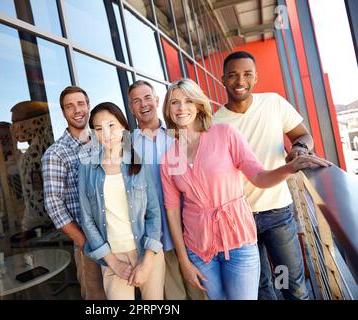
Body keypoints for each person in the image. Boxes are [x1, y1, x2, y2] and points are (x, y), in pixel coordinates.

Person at [160, 79, 330, 300]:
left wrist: (289, 168)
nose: (182, 108)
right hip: (199, 249)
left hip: (238, 239)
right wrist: (184, 261)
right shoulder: (168, 158)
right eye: (175, 102)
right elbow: (172, 211)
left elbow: (258, 177)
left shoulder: (225, 134)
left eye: (188, 101)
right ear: (168, 109)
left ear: (198, 105)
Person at [213, 51, 317, 300]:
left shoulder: (273, 103)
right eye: (233, 75)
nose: (240, 81)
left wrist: (299, 150)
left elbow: (302, 136)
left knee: (291, 286)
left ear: (256, 77)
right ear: (223, 79)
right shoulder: (215, 123)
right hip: (239, 220)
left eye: (247, 74)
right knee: (261, 288)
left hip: (277, 212)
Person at [128, 80, 206, 300]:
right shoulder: (127, 145)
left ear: (156, 100)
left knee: (202, 292)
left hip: (190, 231)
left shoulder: (179, 134)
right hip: (156, 238)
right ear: (131, 108)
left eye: (146, 98)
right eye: (136, 101)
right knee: (174, 296)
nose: (143, 104)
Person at [79, 102, 165, 300]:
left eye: (111, 126)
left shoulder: (138, 162)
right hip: (112, 257)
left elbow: (153, 211)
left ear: (123, 127)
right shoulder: (87, 168)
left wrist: (147, 261)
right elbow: (87, 220)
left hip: (146, 253)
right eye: (99, 129)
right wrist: (113, 263)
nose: (106, 134)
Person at [42, 86, 106, 300]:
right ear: (63, 113)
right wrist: (85, 244)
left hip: (120, 236)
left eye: (80, 104)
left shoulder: (105, 142)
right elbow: (54, 205)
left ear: (88, 106)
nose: (76, 110)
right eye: (69, 106)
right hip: (89, 244)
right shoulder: (55, 154)